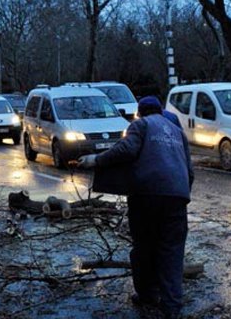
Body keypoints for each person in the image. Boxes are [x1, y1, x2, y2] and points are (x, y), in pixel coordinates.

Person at [78, 96, 193, 318]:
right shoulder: (177, 131)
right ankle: (172, 307)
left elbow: (126, 150)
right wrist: (180, 194)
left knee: (143, 247)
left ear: (140, 112)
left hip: (146, 196)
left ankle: (147, 294)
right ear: (160, 111)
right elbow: (190, 171)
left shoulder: (141, 125)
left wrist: (95, 159)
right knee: (172, 251)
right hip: (177, 198)